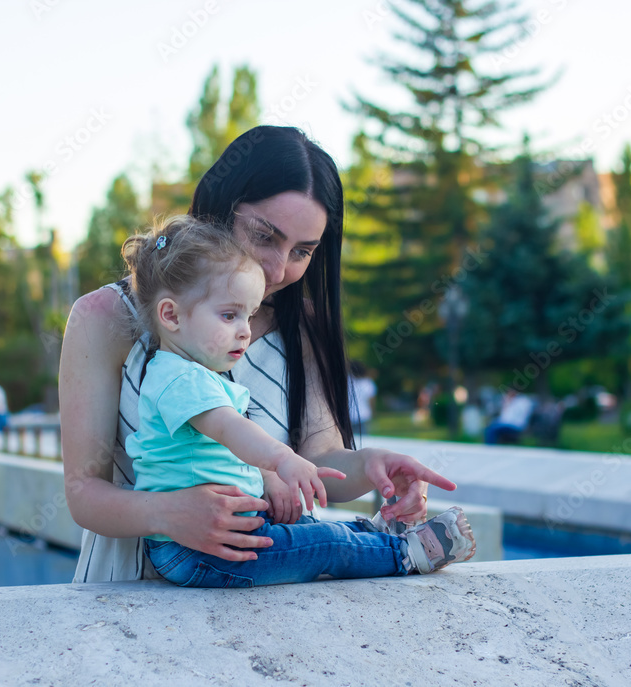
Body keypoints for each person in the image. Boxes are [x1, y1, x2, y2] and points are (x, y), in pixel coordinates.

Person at [60, 125, 460, 584]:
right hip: (131, 590)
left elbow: (320, 464)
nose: (277, 268)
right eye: (265, 236)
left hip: (261, 593)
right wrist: (167, 513)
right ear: (219, 210)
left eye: (302, 251)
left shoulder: (301, 323)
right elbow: (82, 492)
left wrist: (372, 466)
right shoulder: (105, 316)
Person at [121, 216, 474, 586]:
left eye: (250, 314)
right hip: (196, 551)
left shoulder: (189, 373)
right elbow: (230, 429)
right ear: (171, 315)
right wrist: (284, 460)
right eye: (229, 315)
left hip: (214, 538)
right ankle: (404, 554)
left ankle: (375, 537)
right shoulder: (180, 378)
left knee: (304, 527)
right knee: (323, 544)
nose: (244, 329)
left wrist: (269, 477)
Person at [348, 361, 377, 438]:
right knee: (363, 440)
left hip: (349, 416)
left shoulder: (347, 381)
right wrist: (373, 413)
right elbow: (371, 401)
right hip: (363, 416)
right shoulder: (368, 383)